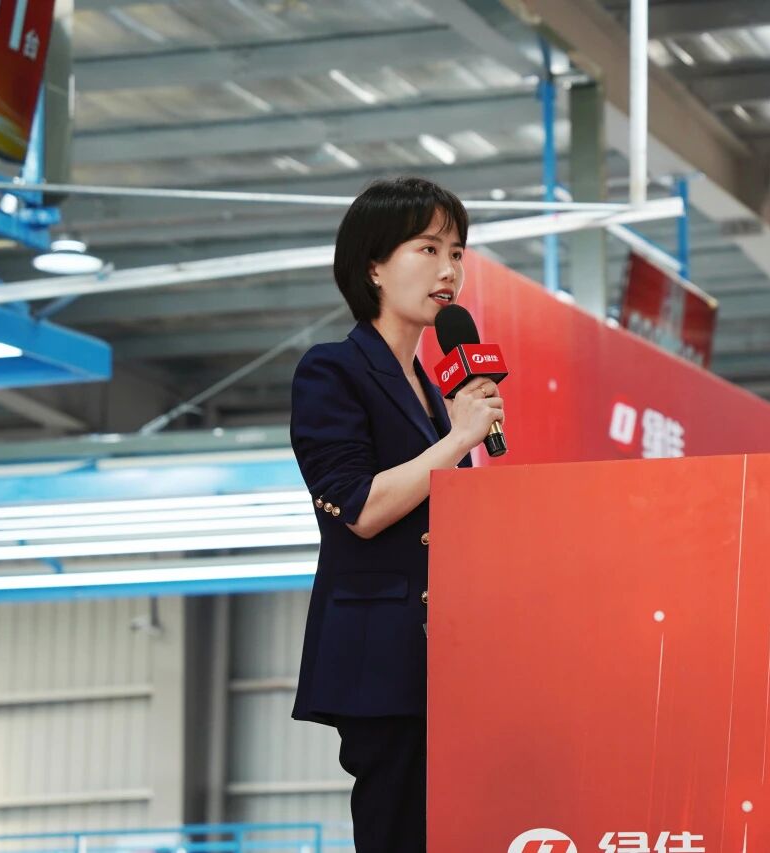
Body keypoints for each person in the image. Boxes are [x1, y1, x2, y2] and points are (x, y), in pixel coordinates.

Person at [288, 177, 505, 853]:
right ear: (374, 266)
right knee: (397, 826)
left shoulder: (437, 392)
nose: (449, 270)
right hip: (380, 657)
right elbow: (360, 507)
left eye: (457, 252)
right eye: (428, 248)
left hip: (447, 653)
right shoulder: (332, 371)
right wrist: (457, 440)